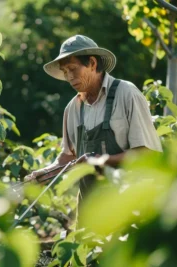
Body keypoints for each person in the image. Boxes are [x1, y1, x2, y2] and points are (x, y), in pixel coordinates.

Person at [24, 35, 162, 198]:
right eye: (65, 71)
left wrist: (100, 160)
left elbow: (146, 154)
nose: (69, 77)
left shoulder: (126, 94)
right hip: (89, 210)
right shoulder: (72, 108)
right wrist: (45, 173)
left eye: (73, 69)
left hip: (130, 205)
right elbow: (68, 156)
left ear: (92, 63)